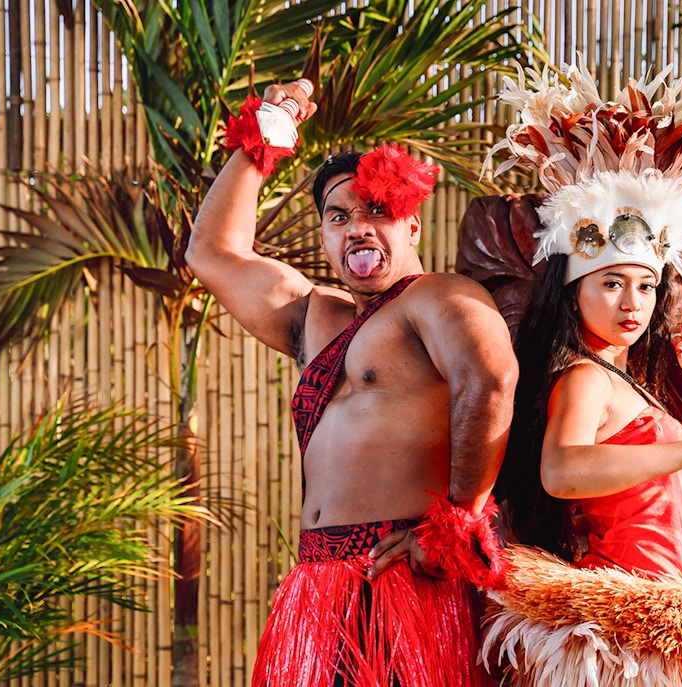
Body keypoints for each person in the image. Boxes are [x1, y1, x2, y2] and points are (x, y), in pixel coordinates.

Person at [187, 78, 517, 687]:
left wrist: (458, 527)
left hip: (404, 579)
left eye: (378, 212)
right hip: (316, 583)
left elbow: (491, 379)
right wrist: (271, 127)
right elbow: (210, 253)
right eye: (340, 217)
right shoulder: (318, 317)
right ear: (324, 237)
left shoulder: (439, 298)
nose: (359, 228)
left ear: (411, 226)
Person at [475, 61, 682, 686]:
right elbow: (560, 472)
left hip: (671, 611)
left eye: (644, 285)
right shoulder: (583, 378)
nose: (631, 303)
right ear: (574, 291)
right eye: (610, 284)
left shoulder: (636, 384)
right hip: (625, 623)